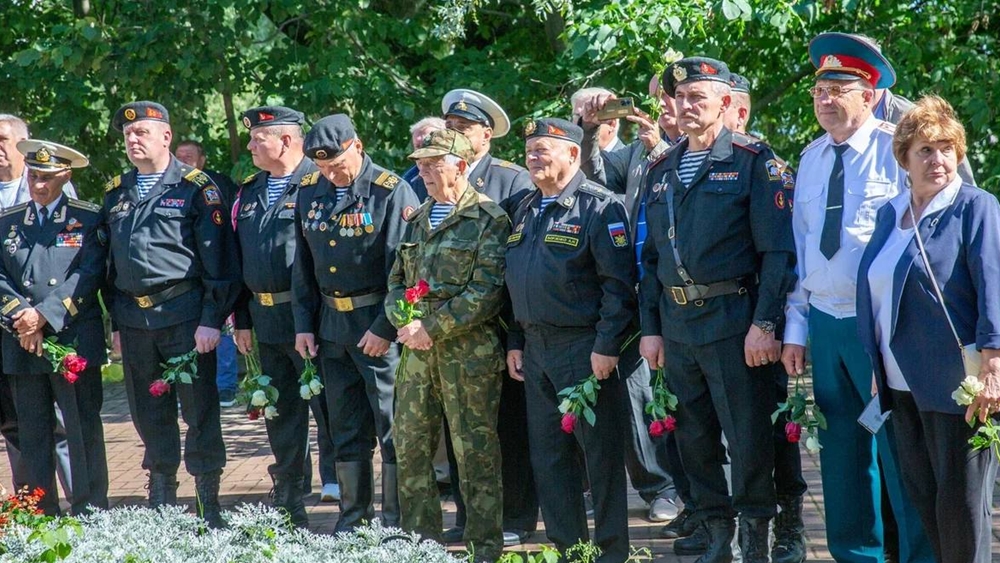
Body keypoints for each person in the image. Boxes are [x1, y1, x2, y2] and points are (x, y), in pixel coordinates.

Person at [781, 36, 933, 563]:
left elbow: (922, 245)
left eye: (839, 89)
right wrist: (796, 329)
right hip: (825, 324)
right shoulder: (812, 157)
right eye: (820, 90)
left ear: (869, 96)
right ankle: (856, 555)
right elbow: (803, 248)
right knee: (842, 452)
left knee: (901, 451)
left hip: (884, 328)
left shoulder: (898, 151)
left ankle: (917, 553)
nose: (826, 99)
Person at [638, 57, 796, 563]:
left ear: (727, 103)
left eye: (697, 97)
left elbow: (778, 254)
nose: (685, 106)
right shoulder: (661, 168)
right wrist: (651, 329)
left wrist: (765, 324)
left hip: (735, 322)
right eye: (679, 98)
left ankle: (755, 543)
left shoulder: (754, 161)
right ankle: (715, 537)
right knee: (694, 437)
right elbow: (650, 259)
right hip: (678, 325)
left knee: (749, 439)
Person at [857, 95, 1000, 563]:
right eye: (925, 149)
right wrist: (878, 364)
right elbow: (879, 295)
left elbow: (993, 289)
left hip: (960, 384)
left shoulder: (975, 208)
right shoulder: (889, 214)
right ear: (903, 158)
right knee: (926, 502)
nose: (937, 159)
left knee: (961, 511)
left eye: (946, 148)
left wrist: (994, 368)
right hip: (900, 387)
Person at [103, 101, 241, 528]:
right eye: (128, 134)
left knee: (199, 409)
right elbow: (109, 264)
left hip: (185, 316)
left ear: (166, 136)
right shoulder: (117, 190)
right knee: (148, 410)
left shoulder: (197, 188)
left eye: (142, 132)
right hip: (134, 318)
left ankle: (207, 500)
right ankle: (162, 495)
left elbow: (220, 261)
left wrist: (211, 320)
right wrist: (116, 325)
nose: (133, 140)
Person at [506, 118, 635, 563]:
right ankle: (570, 550)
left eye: (543, 149)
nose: (533, 157)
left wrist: (607, 345)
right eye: (529, 151)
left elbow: (620, 287)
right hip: (535, 349)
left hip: (583, 349)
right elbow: (515, 283)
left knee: (599, 458)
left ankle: (612, 551)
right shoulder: (524, 207)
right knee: (549, 457)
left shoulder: (600, 207)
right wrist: (515, 340)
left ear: (573, 155)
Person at [291, 113, 418, 532]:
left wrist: (385, 328)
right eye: (323, 167)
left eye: (337, 164)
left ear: (358, 147)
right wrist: (304, 325)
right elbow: (304, 266)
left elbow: (404, 272)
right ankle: (353, 517)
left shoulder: (389, 191)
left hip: (376, 325)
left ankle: (396, 519)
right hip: (331, 328)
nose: (331, 174)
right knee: (343, 425)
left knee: (391, 425)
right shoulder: (310, 191)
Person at [387, 128, 509, 562]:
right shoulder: (417, 217)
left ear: (460, 165)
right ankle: (421, 546)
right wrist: (402, 318)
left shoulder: (488, 218)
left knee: (473, 452)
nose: (424, 171)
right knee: (411, 446)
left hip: (468, 354)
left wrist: (430, 327)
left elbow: (486, 292)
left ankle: (484, 548)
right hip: (416, 355)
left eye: (434, 163)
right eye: (421, 163)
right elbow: (396, 281)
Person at [428, 89, 539, 546]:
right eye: (448, 128)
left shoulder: (512, 181)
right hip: (446, 329)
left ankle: (514, 517)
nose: (452, 135)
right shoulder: (431, 175)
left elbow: (515, 258)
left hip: (496, 326)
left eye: (462, 129)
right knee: (457, 424)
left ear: (485, 135)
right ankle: (468, 514)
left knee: (505, 427)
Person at [575, 85, 683, 525]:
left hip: (684, 292)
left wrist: (659, 145)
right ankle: (672, 493)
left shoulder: (681, 148)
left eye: (673, 99)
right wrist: (588, 130)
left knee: (682, 402)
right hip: (640, 288)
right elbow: (595, 173)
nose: (668, 108)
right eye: (660, 100)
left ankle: (671, 491)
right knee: (640, 392)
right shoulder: (638, 151)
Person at [231, 106, 335, 526]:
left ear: (287, 141)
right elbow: (238, 259)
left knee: (331, 410)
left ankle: (349, 497)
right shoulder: (251, 189)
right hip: (265, 317)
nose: (252, 146)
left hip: (312, 318)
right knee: (280, 413)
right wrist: (242, 320)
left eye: (259, 139)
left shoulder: (319, 181)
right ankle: (291, 497)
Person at [720, 71, 808, 563]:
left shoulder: (764, 165)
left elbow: (781, 253)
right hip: (711, 323)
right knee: (729, 434)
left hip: (757, 314)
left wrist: (769, 321)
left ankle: (791, 527)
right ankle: (736, 529)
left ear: (739, 111)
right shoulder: (681, 165)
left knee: (771, 429)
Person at [0, 140, 107, 516]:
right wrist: (22, 317)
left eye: (47, 177)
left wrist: (43, 315)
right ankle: (40, 514)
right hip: (21, 343)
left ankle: (91, 513)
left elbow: (88, 274)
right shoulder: (7, 221)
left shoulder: (89, 218)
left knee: (81, 432)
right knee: (32, 436)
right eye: (33, 176)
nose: (38, 185)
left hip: (71, 339)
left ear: (66, 175)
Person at [0, 114, 75, 501]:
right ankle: (32, 503)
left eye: (3, 139)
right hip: (8, 323)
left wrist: (36, 318)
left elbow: (66, 263)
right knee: (14, 423)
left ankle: (81, 505)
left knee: (59, 422)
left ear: (23, 144)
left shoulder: (49, 185)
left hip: (38, 327)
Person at [815, 32, 976, 186]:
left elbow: (963, 188)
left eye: (839, 87)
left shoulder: (914, 118)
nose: (827, 99)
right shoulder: (835, 123)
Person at [175, 139, 240, 408]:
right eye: (179, 156)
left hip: (216, 270)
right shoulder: (169, 185)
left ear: (202, 160)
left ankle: (225, 386)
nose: (184, 161)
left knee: (223, 330)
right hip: (187, 280)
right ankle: (187, 387)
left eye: (189, 156)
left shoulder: (217, 183)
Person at [570, 87, 624, 154]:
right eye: (577, 115)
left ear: (612, 124)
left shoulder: (630, 162)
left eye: (590, 115)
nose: (582, 122)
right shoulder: (570, 159)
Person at [403, 117, 446, 189]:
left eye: (427, 144)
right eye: (417, 146)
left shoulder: (466, 174)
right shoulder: (409, 183)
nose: (421, 152)